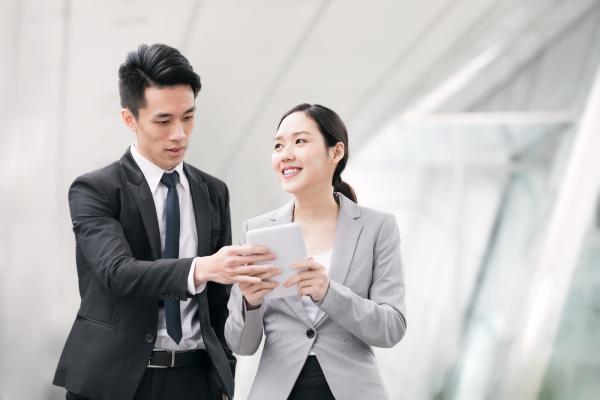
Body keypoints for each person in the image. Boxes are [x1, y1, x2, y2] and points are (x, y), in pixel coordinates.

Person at [53, 43, 275, 400]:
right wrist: (200, 268)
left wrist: (224, 375)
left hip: (196, 380)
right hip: (113, 382)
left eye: (188, 117)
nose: (180, 134)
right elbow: (118, 273)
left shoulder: (213, 192)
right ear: (130, 119)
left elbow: (218, 303)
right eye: (164, 120)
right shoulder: (95, 190)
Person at [225, 103, 407, 399]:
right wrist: (250, 303)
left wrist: (329, 293)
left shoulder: (377, 228)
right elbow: (241, 344)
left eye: (300, 141)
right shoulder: (256, 231)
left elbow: (392, 328)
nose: (286, 154)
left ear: (336, 152)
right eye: (278, 145)